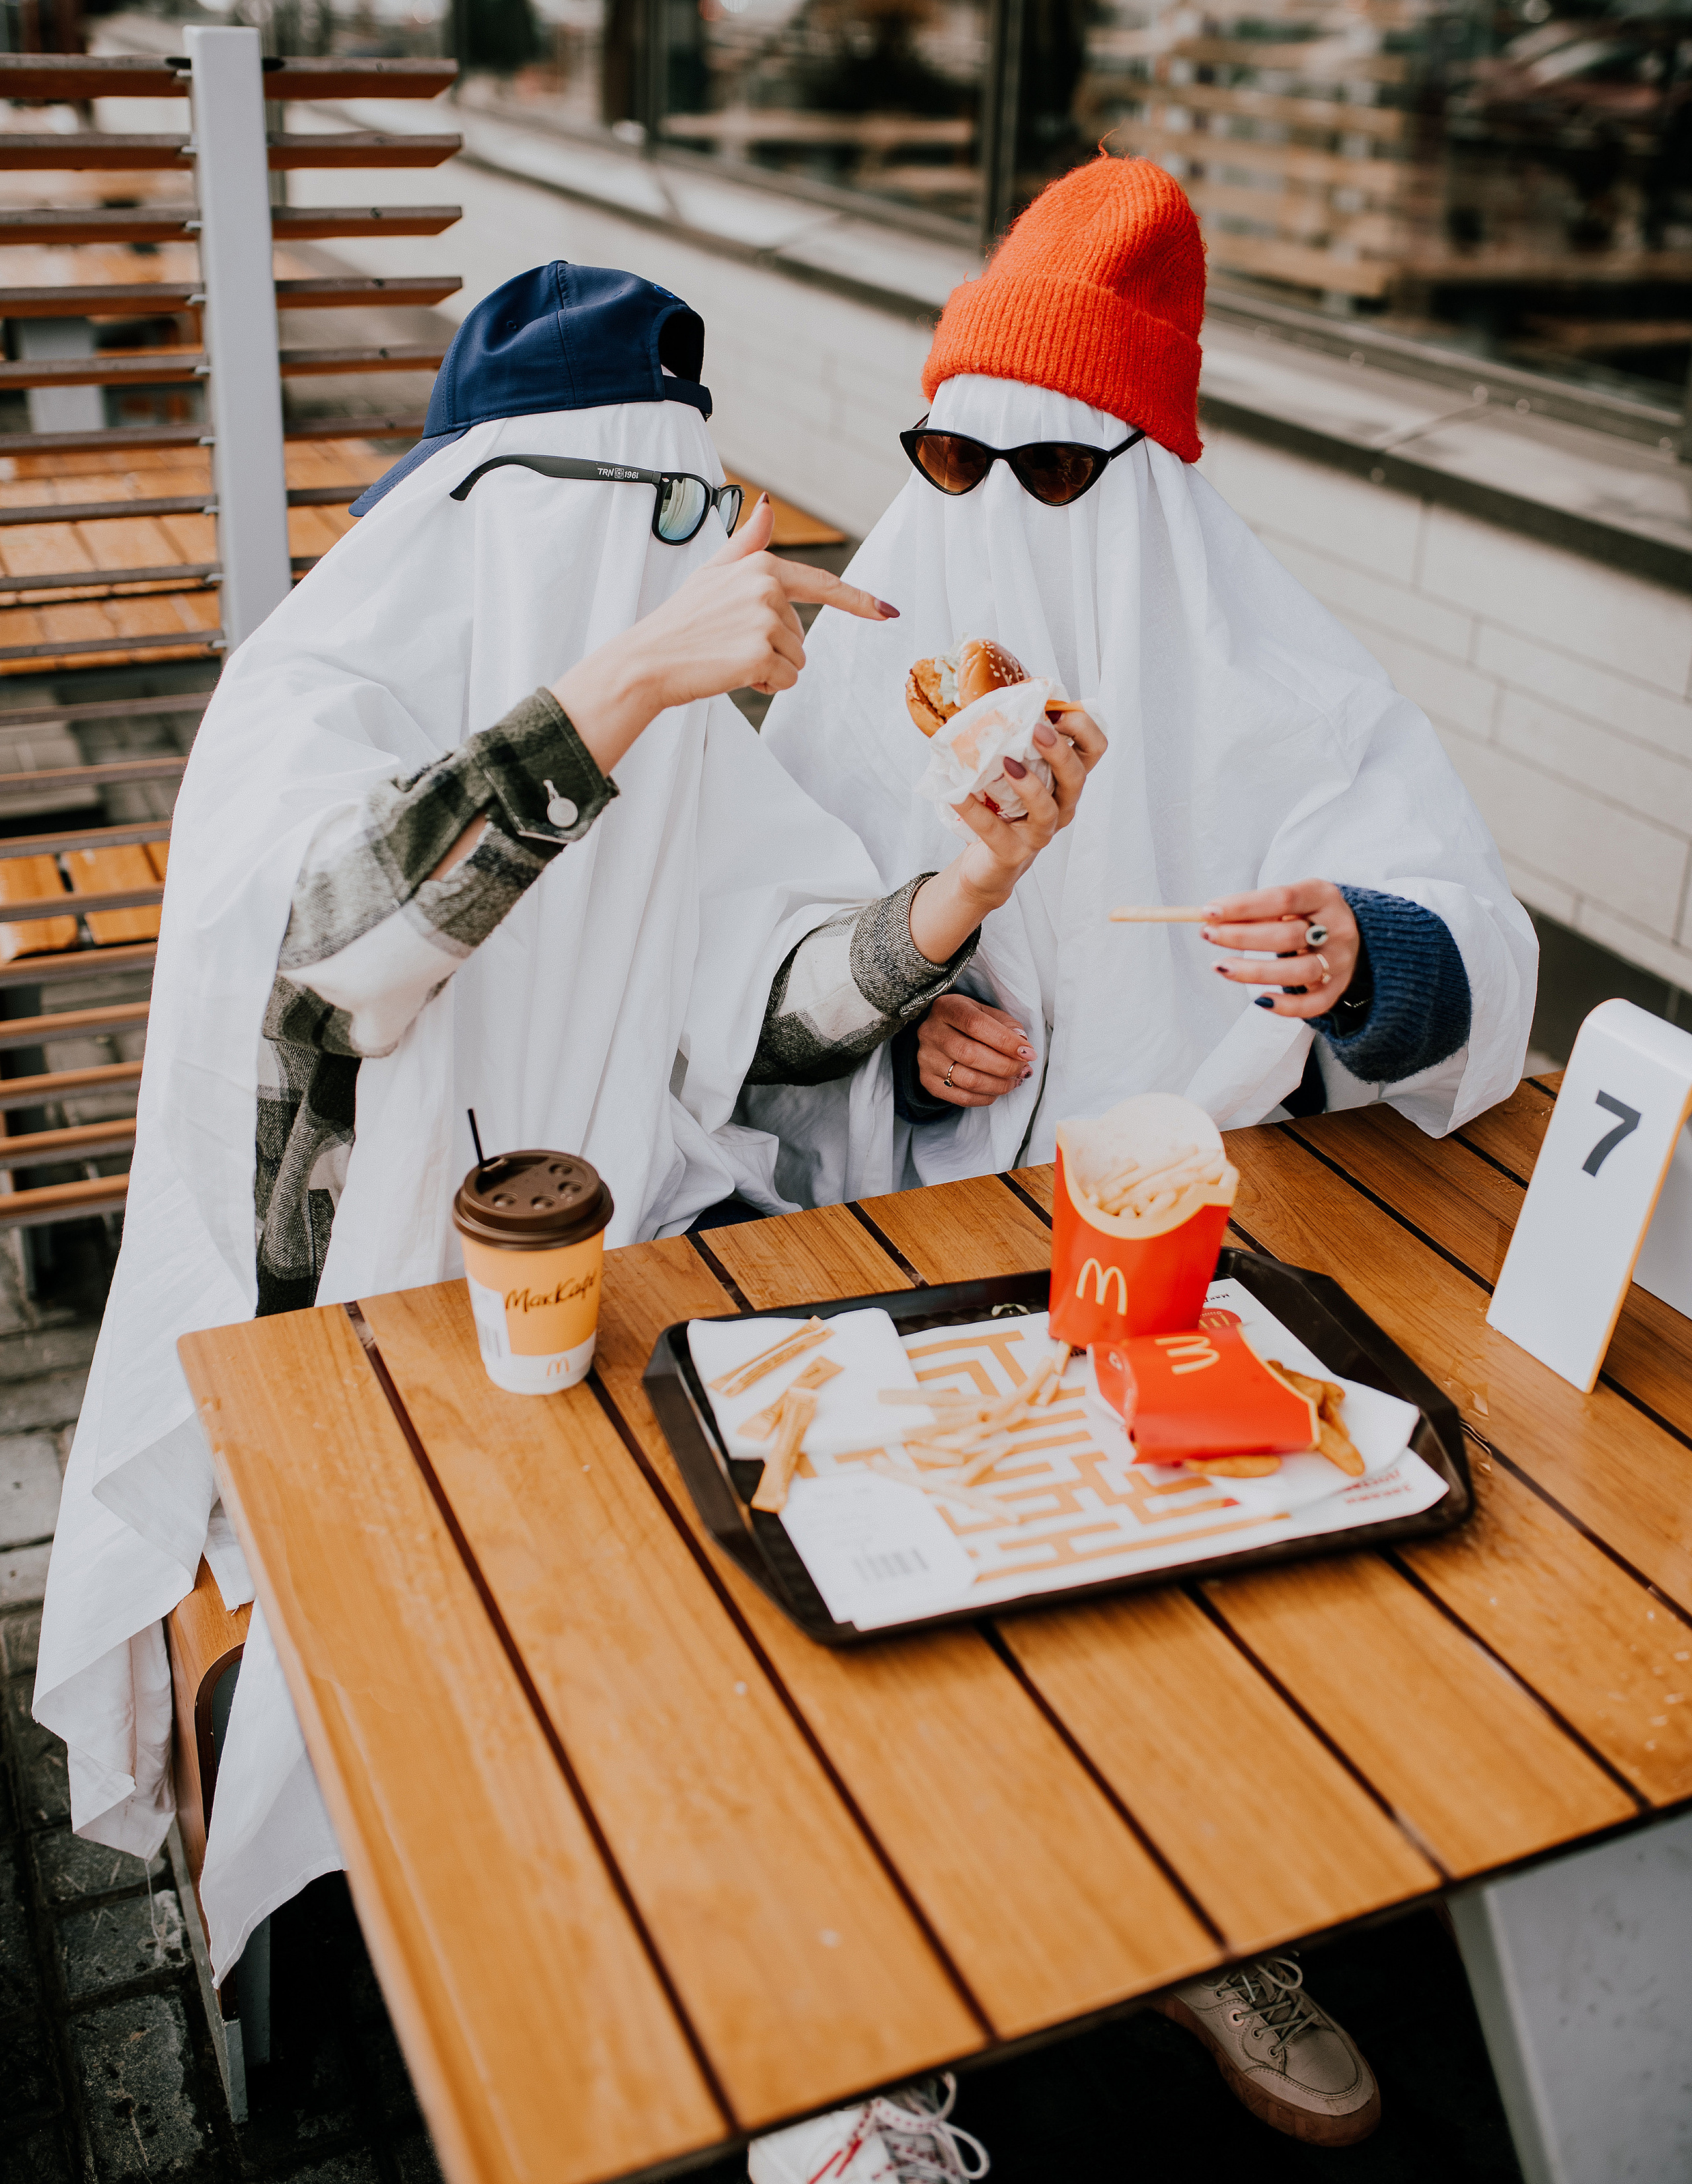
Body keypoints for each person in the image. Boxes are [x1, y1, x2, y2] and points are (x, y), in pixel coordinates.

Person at [31, 261, 1097, 2001]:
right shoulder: (318, 695)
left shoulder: (665, 738)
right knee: (610, 1644)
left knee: (856, 1563)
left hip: (627, 1278)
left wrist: (963, 891)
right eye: (659, 520)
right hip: (340, 1341)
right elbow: (337, 956)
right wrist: (626, 678)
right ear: (512, 521)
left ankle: (839, 1979)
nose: (679, 566)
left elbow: (765, 997)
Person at [753, 151, 1536, 2156]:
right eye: (957, 454)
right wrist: (908, 1026)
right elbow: (762, 958)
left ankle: (1205, 1915)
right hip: (902, 1225)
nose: (1000, 512)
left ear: (1154, 474)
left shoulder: (1264, 671)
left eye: (1059, 470)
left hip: (1190, 1222)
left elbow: (1469, 936)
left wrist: (1369, 953)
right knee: (888, 1605)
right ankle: (877, 2020)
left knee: (1205, 1606)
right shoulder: (881, 637)